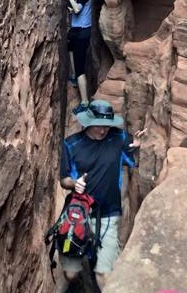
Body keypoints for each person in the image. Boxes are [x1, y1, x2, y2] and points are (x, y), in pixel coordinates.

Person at [59, 100, 143, 291]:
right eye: (98, 125)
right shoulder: (72, 145)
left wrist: (136, 145)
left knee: (104, 274)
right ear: (88, 121)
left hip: (108, 214)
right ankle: (83, 272)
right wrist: (74, 183)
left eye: (106, 125)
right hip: (79, 214)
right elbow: (64, 179)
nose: (103, 130)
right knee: (70, 274)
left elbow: (131, 156)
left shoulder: (119, 138)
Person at [67, 0, 93, 114]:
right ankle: (74, 76)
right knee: (69, 46)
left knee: (80, 68)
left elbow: (76, 9)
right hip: (77, 29)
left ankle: (84, 103)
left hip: (82, 32)